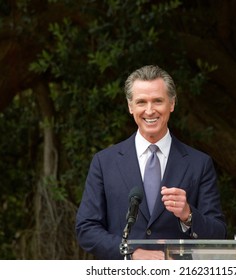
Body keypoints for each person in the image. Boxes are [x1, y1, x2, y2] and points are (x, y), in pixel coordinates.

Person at [75, 65, 227, 260]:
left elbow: (219, 233)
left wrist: (188, 215)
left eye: (157, 101)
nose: (149, 110)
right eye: (141, 102)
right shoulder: (104, 162)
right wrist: (131, 252)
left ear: (171, 103)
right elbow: (86, 229)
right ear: (130, 107)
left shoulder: (200, 163)